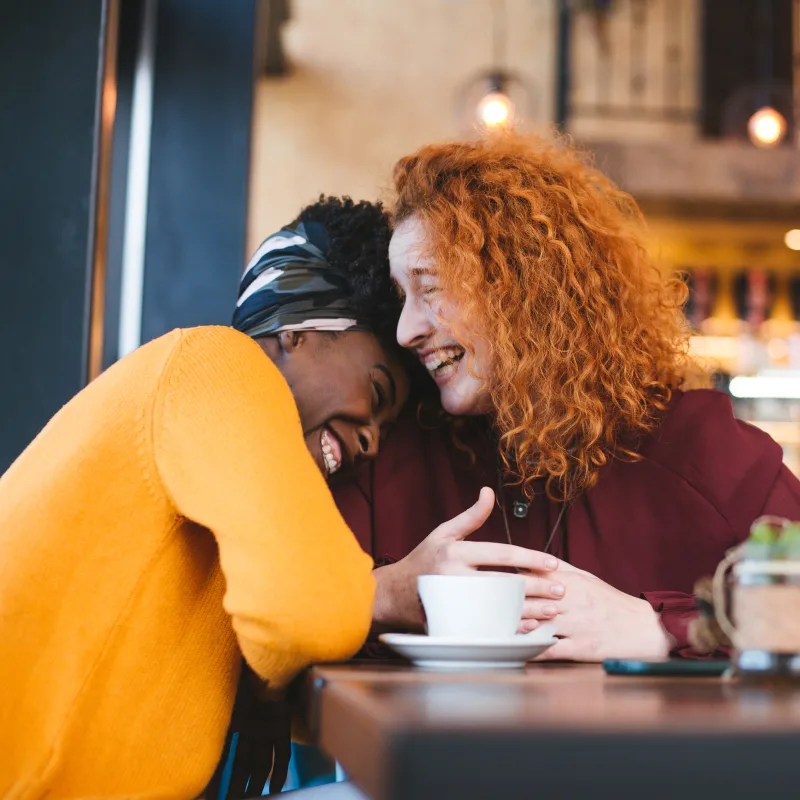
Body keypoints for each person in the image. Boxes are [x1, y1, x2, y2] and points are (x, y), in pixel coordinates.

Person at [332, 134, 800, 661]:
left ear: (525, 288)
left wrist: (663, 629)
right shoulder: (392, 453)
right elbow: (266, 612)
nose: (405, 330)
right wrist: (388, 591)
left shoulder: (703, 450)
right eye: (402, 297)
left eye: (431, 289)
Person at [0, 197, 408, 799]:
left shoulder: (216, 428)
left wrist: (262, 689)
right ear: (298, 330)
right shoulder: (218, 361)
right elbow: (305, 613)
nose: (372, 440)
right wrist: (391, 591)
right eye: (376, 390)